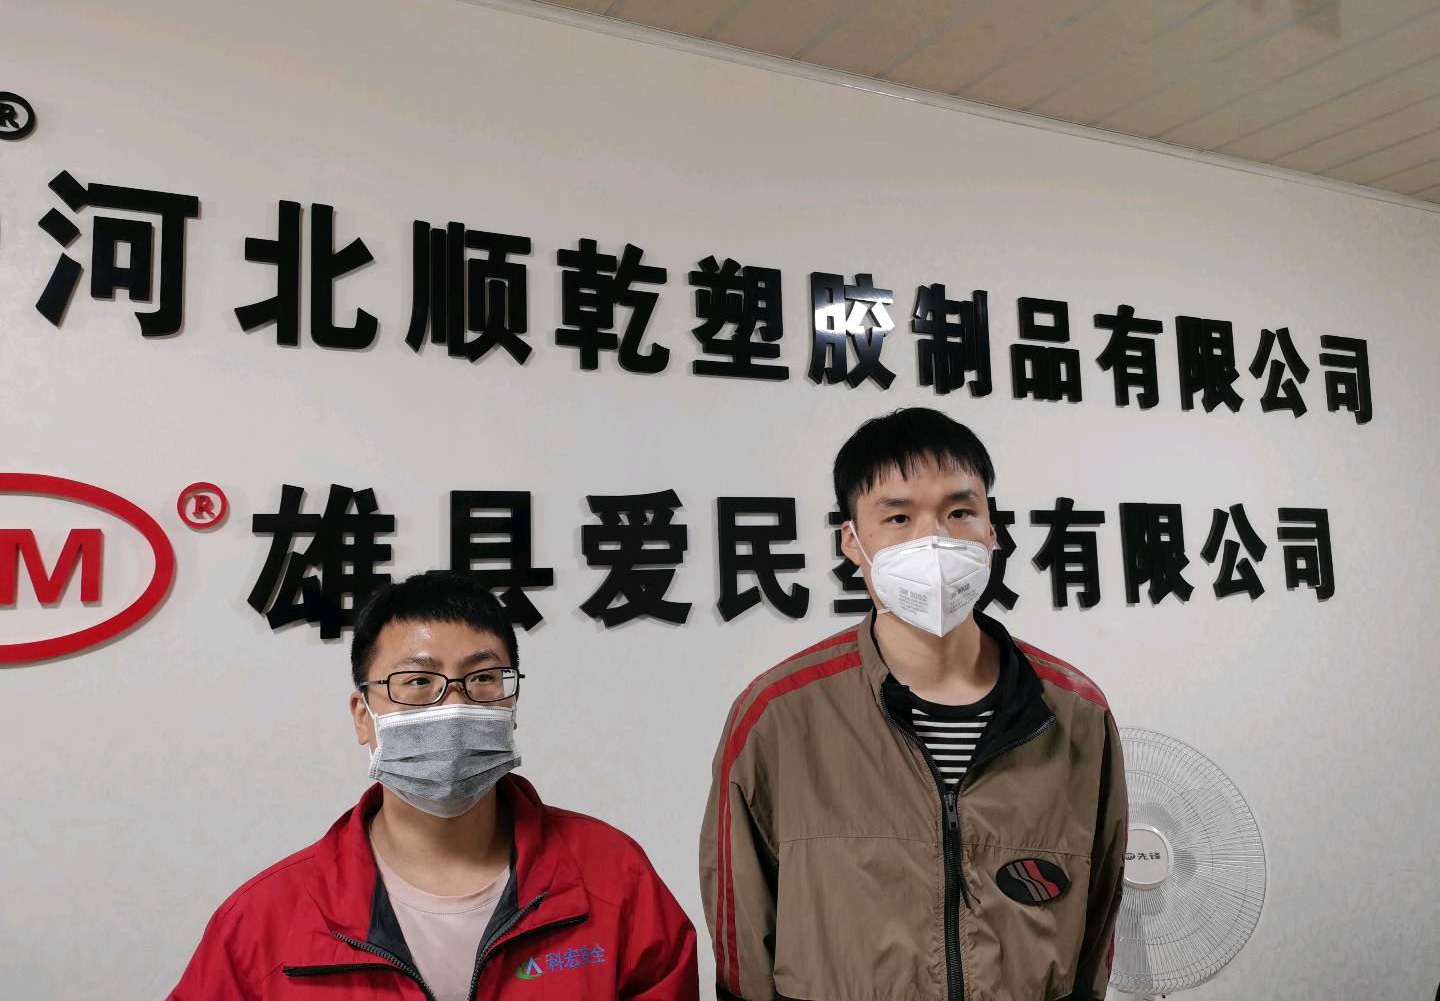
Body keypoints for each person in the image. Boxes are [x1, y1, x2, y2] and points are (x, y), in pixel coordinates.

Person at [700, 407, 1126, 1001]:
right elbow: (742, 940)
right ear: (853, 542)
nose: (935, 540)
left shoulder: (1075, 714)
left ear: (992, 530)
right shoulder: (777, 715)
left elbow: (1097, 918)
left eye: (960, 512)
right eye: (898, 517)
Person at [173, 570, 698, 1000]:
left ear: (512, 703)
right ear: (363, 715)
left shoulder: (615, 877)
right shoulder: (262, 923)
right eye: (418, 682)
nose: (455, 705)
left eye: (483, 678)